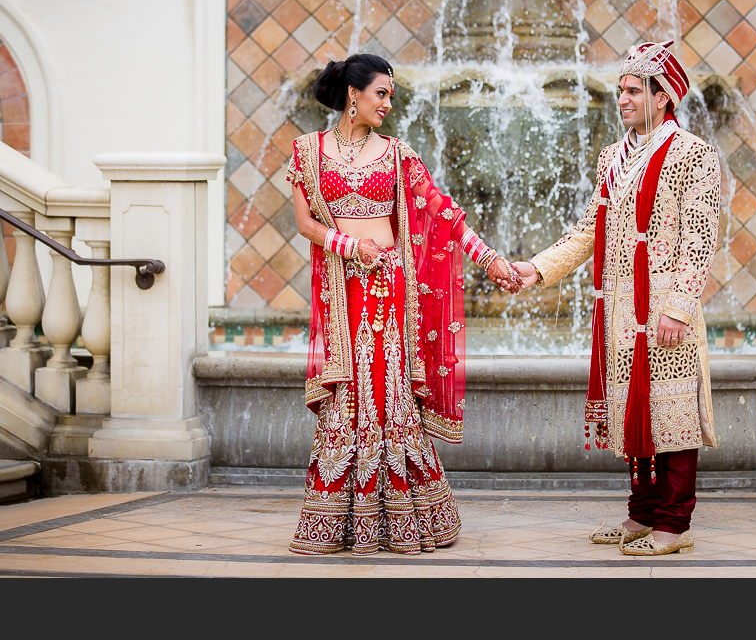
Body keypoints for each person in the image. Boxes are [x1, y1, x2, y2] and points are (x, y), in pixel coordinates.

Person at [286, 53, 523, 556]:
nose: (388, 104)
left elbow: (445, 213)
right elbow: (306, 222)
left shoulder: (397, 154)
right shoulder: (307, 151)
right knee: (349, 394)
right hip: (341, 287)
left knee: (387, 395)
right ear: (354, 94)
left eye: (391, 95)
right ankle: (338, 522)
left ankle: (400, 519)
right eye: (381, 94)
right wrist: (349, 247)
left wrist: (492, 261)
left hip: (386, 292)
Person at [513, 41, 721, 556]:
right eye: (621, 90)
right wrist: (534, 269)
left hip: (666, 311)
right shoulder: (614, 156)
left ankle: (675, 523)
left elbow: (700, 237)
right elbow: (589, 231)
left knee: (672, 416)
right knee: (636, 412)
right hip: (619, 311)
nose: (623, 99)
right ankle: (642, 513)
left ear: (663, 95)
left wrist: (678, 305)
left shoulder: (693, 153)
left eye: (633, 90)